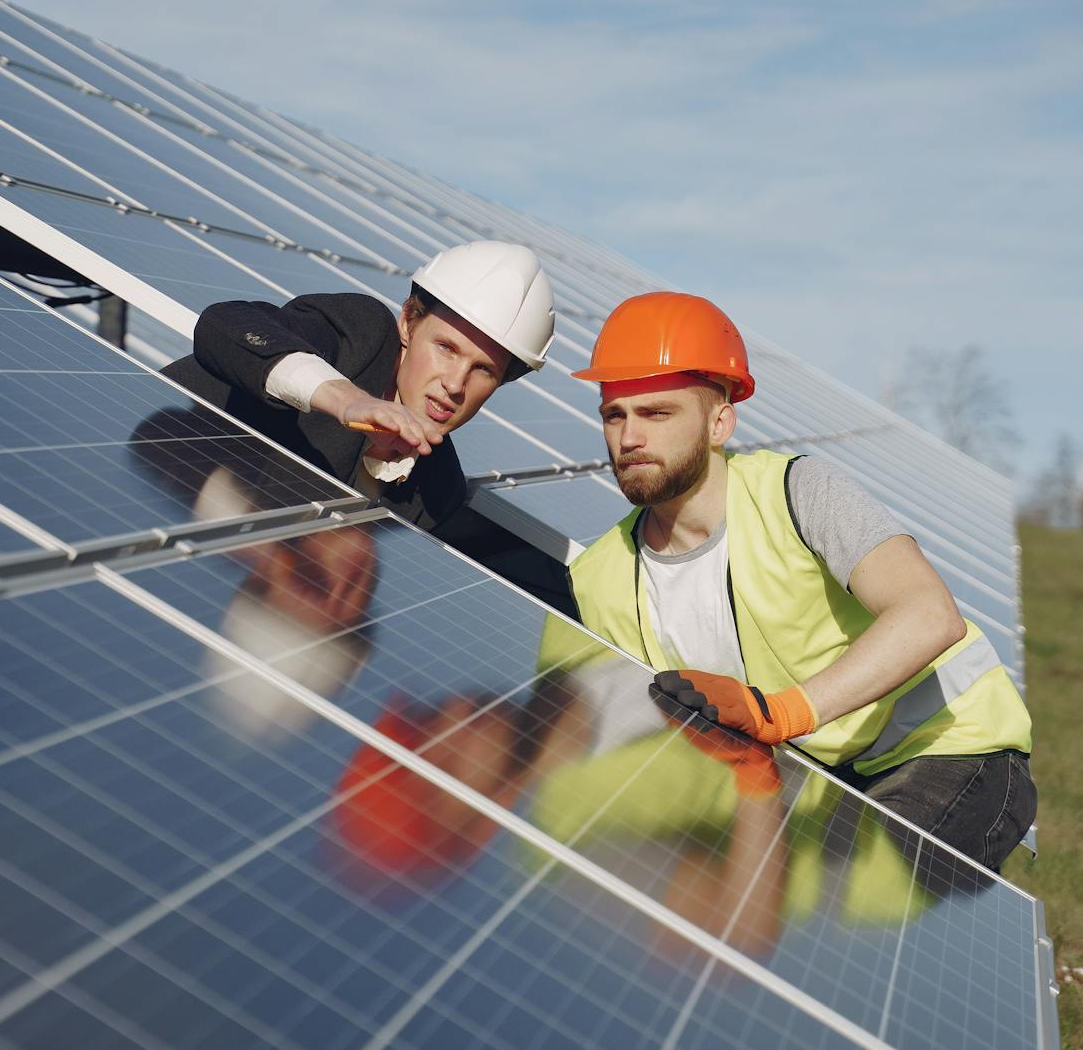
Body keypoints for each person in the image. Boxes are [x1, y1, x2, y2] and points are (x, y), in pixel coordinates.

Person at [537, 292, 1036, 870]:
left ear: (720, 420)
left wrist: (781, 715)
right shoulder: (599, 577)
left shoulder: (798, 492)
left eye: (658, 414)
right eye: (614, 415)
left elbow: (929, 614)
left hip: (947, 747)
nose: (629, 439)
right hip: (807, 776)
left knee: (878, 897)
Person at [160, 242, 574, 612]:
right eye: (446, 348)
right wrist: (344, 399)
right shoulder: (363, 336)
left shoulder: (439, 493)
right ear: (408, 323)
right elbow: (226, 325)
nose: (454, 384)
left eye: (483, 370)